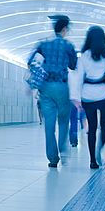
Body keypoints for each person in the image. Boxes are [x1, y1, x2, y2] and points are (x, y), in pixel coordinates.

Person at [70, 26, 105, 169]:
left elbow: (79, 78)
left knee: (92, 128)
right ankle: (99, 149)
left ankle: (92, 160)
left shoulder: (84, 56)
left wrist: (76, 97)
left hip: (87, 95)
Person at [28, 15, 77, 168]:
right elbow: (73, 65)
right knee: (63, 120)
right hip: (62, 86)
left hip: (46, 87)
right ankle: (63, 149)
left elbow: (30, 61)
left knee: (49, 124)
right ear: (64, 29)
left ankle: (52, 159)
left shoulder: (43, 44)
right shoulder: (68, 45)